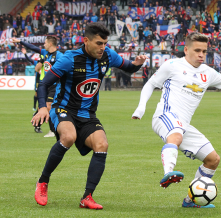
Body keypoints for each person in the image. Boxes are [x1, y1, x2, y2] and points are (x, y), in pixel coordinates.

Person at [131, 32, 221, 208]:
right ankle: (168, 172)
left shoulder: (208, 73)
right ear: (186, 50)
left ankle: (191, 199)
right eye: (197, 50)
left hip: (184, 125)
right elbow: (150, 84)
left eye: (204, 51)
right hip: (165, 115)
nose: (201, 54)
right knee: (175, 136)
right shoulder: (172, 65)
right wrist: (141, 106)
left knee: (213, 160)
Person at [31, 23, 147, 210]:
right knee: (68, 136)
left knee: (102, 145)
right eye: (99, 43)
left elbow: (128, 67)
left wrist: (137, 64)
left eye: (105, 43)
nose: (103, 47)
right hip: (63, 109)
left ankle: (87, 197)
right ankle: (43, 182)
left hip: (87, 114)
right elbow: (44, 84)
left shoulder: (108, 55)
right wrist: (43, 108)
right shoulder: (70, 59)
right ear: (86, 41)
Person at [12, 36, 63, 137]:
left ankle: (53, 131)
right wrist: (20, 41)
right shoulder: (44, 53)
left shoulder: (59, 56)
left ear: (50, 44)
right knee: (42, 107)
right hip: (45, 85)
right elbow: (32, 47)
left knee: (48, 106)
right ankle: (38, 121)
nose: (43, 45)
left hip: (55, 85)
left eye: (45, 43)